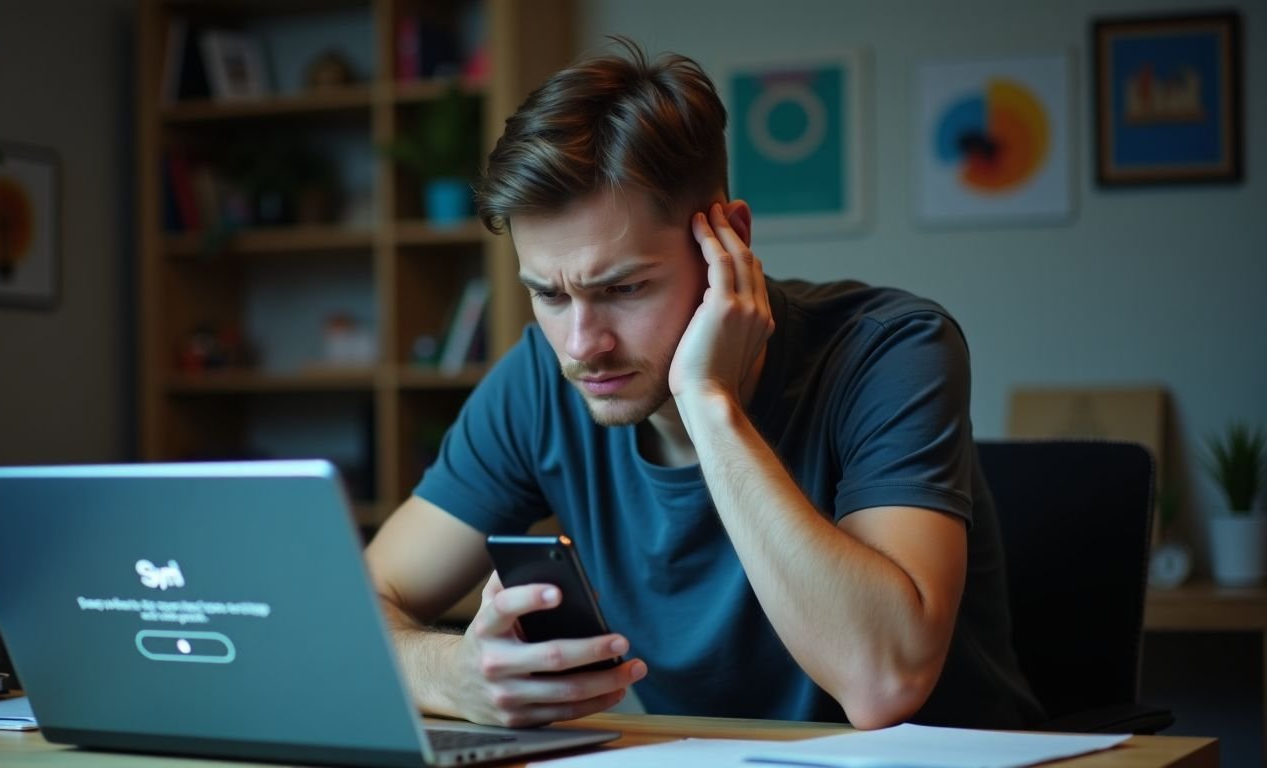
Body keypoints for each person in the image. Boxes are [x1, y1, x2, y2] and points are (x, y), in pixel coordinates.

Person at [366, 38, 1043, 731]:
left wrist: (708, 404)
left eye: (624, 288)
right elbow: (355, 604)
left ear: (729, 242)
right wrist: (453, 674)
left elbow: (883, 682)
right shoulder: (541, 381)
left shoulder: (892, 350)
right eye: (549, 294)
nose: (581, 345)